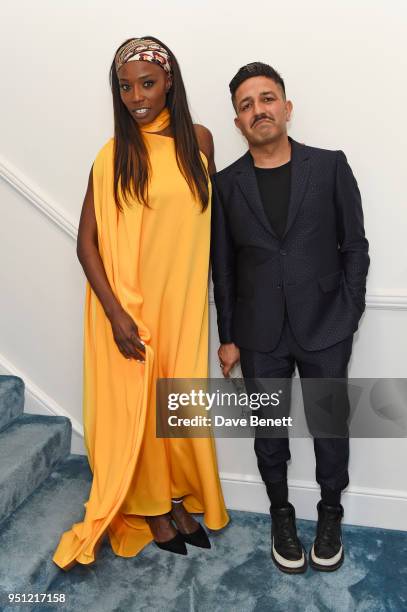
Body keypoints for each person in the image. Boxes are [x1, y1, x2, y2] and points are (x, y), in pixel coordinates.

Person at [53, 37, 229, 569]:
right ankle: (152, 507)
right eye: (125, 87)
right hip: (134, 309)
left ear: (169, 82)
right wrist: (115, 314)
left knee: (179, 402)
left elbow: (210, 228)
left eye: (147, 83)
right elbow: (87, 243)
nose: (136, 97)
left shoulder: (199, 141)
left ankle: (176, 496)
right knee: (145, 403)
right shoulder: (113, 155)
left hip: (184, 303)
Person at [211, 62, 369, 573]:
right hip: (259, 336)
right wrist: (229, 336)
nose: (259, 109)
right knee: (268, 432)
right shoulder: (227, 185)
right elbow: (224, 268)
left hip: (327, 325)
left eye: (267, 98)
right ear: (238, 121)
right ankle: (281, 514)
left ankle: (329, 514)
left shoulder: (329, 167)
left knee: (329, 427)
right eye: (246, 104)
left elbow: (355, 246)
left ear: (286, 106)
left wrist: (351, 309)